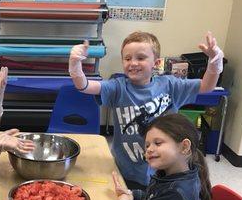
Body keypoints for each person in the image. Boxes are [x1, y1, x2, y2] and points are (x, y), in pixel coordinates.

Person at [69, 31, 223, 189]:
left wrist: (214, 62)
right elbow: (85, 86)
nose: (133, 63)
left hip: (164, 171)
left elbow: (206, 86)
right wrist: (75, 65)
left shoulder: (171, 85)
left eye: (140, 58)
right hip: (126, 169)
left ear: (155, 63)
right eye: (127, 58)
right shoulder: (117, 87)